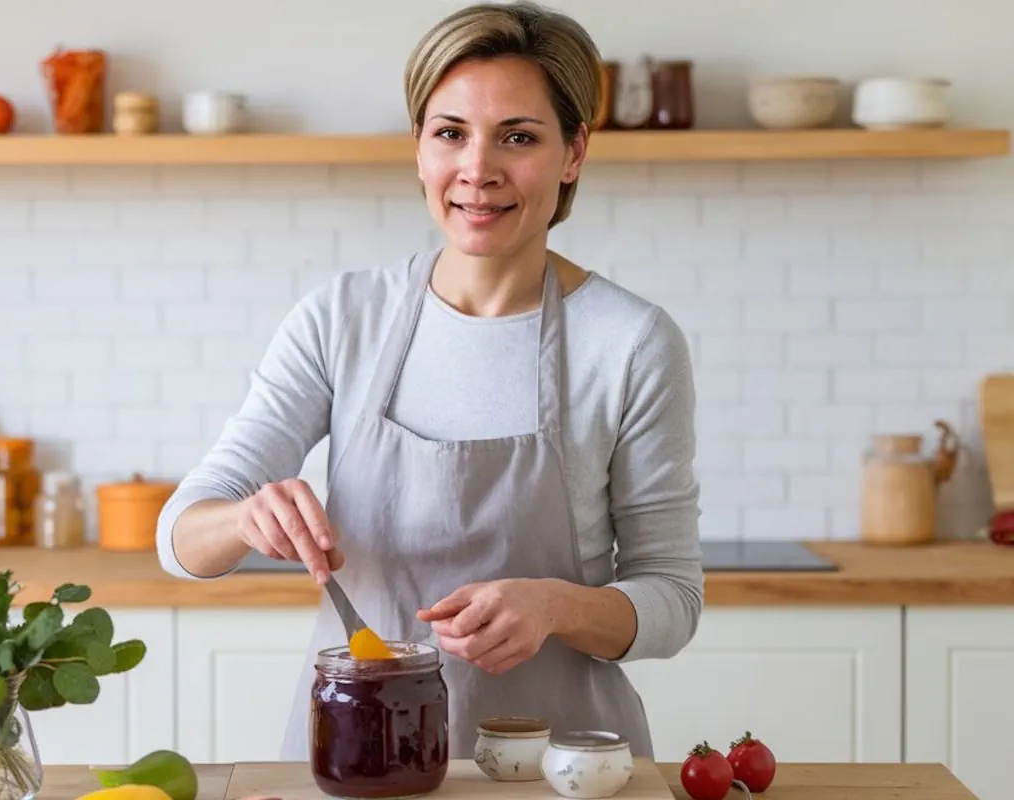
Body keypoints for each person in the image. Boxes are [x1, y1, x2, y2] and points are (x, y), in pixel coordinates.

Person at [155, 0, 704, 761]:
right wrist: (244, 519)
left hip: (559, 767)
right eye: (450, 133)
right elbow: (179, 537)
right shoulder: (340, 319)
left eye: (519, 136)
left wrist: (554, 606)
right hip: (356, 759)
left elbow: (673, 600)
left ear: (574, 152)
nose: (478, 170)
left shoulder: (631, 342)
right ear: (419, 148)